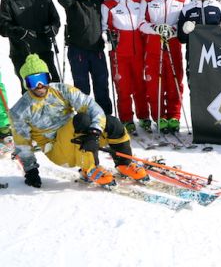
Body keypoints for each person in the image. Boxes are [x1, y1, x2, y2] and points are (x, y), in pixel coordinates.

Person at [10, 54, 147, 187]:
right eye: (33, 81)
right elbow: (23, 143)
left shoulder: (62, 90)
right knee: (82, 120)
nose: (39, 85)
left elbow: (92, 107)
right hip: (58, 150)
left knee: (111, 123)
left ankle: (124, 163)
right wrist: (31, 171)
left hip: (77, 135)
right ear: (26, 84)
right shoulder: (20, 110)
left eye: (43, 79)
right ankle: (89, 168)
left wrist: (94, 133)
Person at [138, 0, 187, 133]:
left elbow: (183, 22)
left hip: (173, 44)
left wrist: (172, 29)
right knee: (155, 83)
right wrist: (157, 28)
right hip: (154, 45)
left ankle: (174, 116)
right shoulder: (148, 0)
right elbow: (141, 24)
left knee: (174, 80)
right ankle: (159, 117)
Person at [57, 0, 112, 115]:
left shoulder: (100, 1)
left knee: (101, 85)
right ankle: (85, 117)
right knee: (82, 87)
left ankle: (105, 116)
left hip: (97, 50)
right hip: (78, 50)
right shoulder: (73, 2)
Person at [101, 0, 150, 133]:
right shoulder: (108, 4)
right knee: (124, 87)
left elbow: (143, 23)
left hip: (138, 52)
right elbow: (103, 27)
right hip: (119, 53)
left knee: (140, 85)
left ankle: (144, 117)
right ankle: (127, 119)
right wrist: (107, 36)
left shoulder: (139, 2)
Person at [0, 0, 61, 92]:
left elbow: (55, 20)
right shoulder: (9, 0)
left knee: (52, 86)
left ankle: (55, 112)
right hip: (21, 53)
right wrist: (20, 32)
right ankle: (32, 112)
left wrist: (53, 29)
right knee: (32, 89)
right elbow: (3, 27)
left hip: (44, 51)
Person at [178, 0, 221, 80]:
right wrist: (185, 30)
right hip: (195, 54)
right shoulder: (187, 9)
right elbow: (181, 38)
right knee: (196, 85)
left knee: (216, 85)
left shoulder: (217, 6)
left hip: (216, 53)